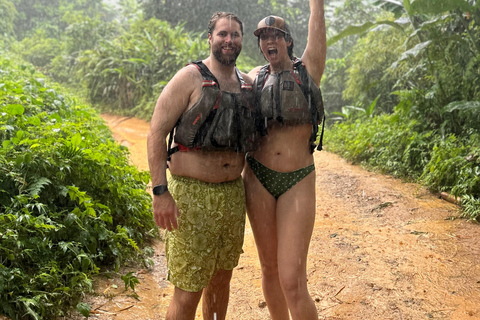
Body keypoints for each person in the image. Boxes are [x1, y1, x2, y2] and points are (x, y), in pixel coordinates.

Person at [147, 12, 258, 320]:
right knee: (188, 289)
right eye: (223, 34)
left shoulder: (247, 85)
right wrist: (160, 192)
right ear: (210, 38)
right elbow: (156, 133)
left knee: (222, 279)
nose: (229, 40)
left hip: (231, 196)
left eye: (235, 35)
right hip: (191, 197)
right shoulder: (190, 77)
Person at [243, 0, 326, 319]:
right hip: (258, 178)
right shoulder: (254, 78)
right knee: (269, 268)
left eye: (276, 35)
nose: (269, 41)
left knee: (292, 279)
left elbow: (317, 30)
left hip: (298, 180)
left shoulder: (308, 70)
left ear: (288, 40)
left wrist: (316, 5)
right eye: (263, 37)